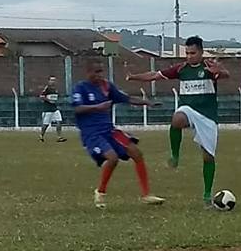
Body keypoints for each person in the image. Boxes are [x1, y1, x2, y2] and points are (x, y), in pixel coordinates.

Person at [126, 36, 229, 205]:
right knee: (177, 118)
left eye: (192, 53)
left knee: (208, 157)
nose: (189, 56)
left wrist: (220, 71)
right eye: (187, 53)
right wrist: (133, 77)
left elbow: (225, 75)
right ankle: (175, 155)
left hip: (207, 116)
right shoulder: (181, 69)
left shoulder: (208, 67)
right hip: (188, 109)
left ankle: (207, 194)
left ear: (201, 52)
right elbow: (155, 75)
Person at [72, 58, 165, 208]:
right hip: (92, 133)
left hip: (109, 130)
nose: (100, 75)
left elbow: (126, 98)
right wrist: (98, 107)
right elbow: (77, 109)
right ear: (88, 72)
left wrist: (147, 103)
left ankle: (146, 195)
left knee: (136, 153)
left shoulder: (106, 86)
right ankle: (100, 192)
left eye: (101, 71)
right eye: (96, 72)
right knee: (112, 158)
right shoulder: (80, 88)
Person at [38, 76, 66, 142]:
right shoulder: (47, 88)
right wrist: (48, 100)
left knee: (59, 121)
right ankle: (41, 136)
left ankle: (59, 137)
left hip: (54, 109)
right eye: (51, 80)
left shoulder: (55, 89)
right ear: (49, 81)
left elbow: (55, 98)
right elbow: (41, 96)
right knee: (45, 125)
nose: (53, 81)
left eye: (54, 80)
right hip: (47, 109)